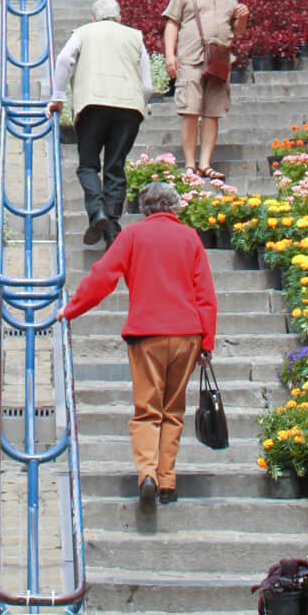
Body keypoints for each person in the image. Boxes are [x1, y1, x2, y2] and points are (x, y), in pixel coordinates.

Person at [59, 182, 216, 508]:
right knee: (173, 410)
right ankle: (167, 481)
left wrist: (70, 309)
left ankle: (147, 473)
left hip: (146, 334)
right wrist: (207, 342)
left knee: (147, 410)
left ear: (144, 207)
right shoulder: (190, 237)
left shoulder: (131, 236)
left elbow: (102, 277)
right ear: (175, 207)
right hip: (187, 334)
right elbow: (205, 295)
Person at [48, 0, 153, 245]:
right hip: (129, 107)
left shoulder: (84, 32)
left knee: (88, 165)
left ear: (93, 18)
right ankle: (113, 227)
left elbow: (64, 60)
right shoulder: (134, 36)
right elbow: (147, 84)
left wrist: (58, 97)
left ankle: (97, 211)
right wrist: (142, 104)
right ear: (120, 17)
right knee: (115, 166)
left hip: (92, 104)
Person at [162, 0, 246, 181]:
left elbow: (238, 32)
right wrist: (170, 55)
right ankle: (190, 164)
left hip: (218, 61)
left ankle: (205, 163)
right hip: (190, 60)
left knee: (213, 113)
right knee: (189, 111)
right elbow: (172, 23)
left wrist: (243, 18)